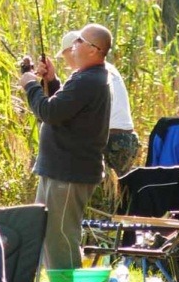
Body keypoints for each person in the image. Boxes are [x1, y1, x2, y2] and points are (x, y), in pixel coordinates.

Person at [20, 23, 111, 269]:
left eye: (80, 41)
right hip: (58, 168)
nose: (74, 45)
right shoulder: (85, 78)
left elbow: (49, 111)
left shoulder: (89, 80)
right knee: (48, 232)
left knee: (59, 235)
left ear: (95, 50)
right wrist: (52, 80)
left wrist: (30, 85)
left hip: (69, 172)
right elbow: (66, 109)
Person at [58, 30, 139, 176]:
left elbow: (66, 110)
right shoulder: (105, 69)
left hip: (110, 141)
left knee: (99, 195)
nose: (67, 63)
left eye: (66, 57)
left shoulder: (88, 75)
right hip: (127, 140)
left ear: (72, 50)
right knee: (118, 196)